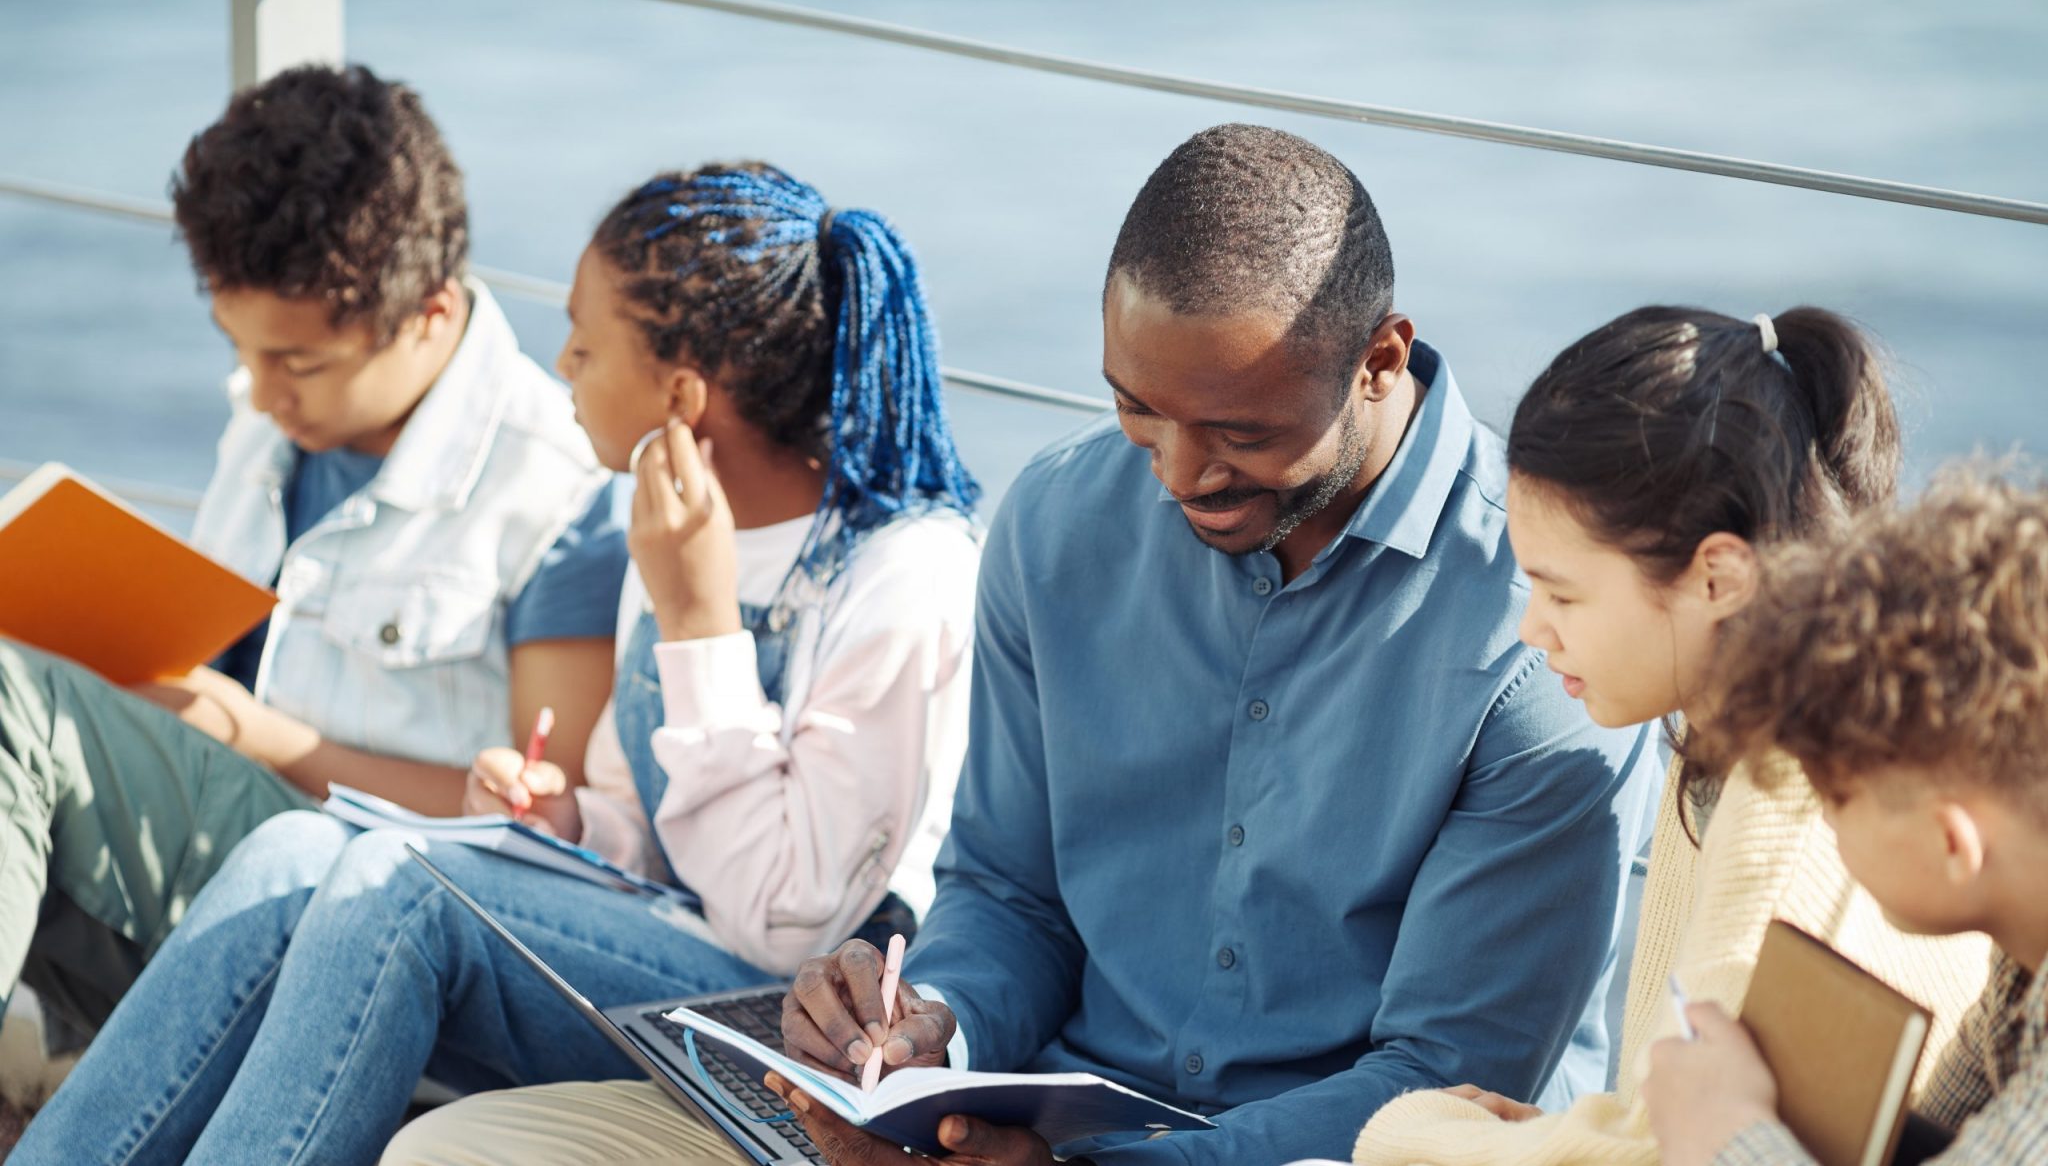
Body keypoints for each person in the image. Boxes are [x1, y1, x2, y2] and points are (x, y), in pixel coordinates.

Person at [385, 123, 1661, 1166]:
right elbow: (1006, 892)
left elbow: (1443, 1086)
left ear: (1379, 361)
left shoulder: (1540, 625)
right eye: (1134, 408)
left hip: (1330, 1157)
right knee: (460, 1154)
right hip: (1027, 1122)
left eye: (1237, 433)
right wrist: (931, 1028)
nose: (1178, 474)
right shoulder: (1057, 525)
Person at [10, 160, 983, 1166]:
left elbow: (789, 922)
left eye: (584, 341)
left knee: (402, 883)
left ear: (682, 393)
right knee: (294, 854)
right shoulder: (674, 524)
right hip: (650, 957)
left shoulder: (900, 575)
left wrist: (698, 627)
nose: (559, 362)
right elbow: (648, 835)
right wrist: (562, 821)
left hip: (780, 1025)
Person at [0, 63, 623, 1042]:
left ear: (432, 315)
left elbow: (551, 831)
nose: (260, 391)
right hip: (205, 844)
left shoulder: (561, 492)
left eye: (295, 362)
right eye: (241, 350)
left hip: (350, 895)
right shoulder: (274, 419)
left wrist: (258, 737)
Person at [1352, 307, 1991, 1165]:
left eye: (1564, 595)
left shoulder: (1795, 820)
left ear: (1719, 575)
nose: (1534, 630)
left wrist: (1418, 1130)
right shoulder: (1737, 732)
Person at [1644, 469, 2048, 1166]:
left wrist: (1725, 1132)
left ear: (1953, 843)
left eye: (1835, 798)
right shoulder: (2023, 965)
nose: (1823, 827)